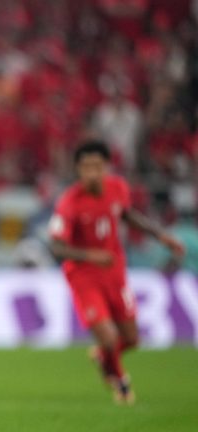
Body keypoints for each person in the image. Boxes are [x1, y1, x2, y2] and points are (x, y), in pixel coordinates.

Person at [48, 140, 184, 404]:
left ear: (107, 167)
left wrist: (161, 235)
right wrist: (90, 255)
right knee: (109, 337)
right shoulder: (69, 203)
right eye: (86, 167)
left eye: (97, 167)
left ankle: (103, 358)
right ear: (78, 170)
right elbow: (55, 246)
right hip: (84, 276)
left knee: (132, 340)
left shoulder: (118, 188)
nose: (92, 173)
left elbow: (126, 214)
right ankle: (121, 384)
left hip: (115, 273)